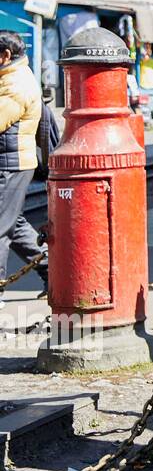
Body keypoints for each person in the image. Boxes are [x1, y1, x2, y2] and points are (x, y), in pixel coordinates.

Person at [0, 31, 48, 297]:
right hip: (10, 161)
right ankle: (52, 270)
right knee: (12, 224)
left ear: (6, 55)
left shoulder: (16, 85)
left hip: (11, 162)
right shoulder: (9, 78)